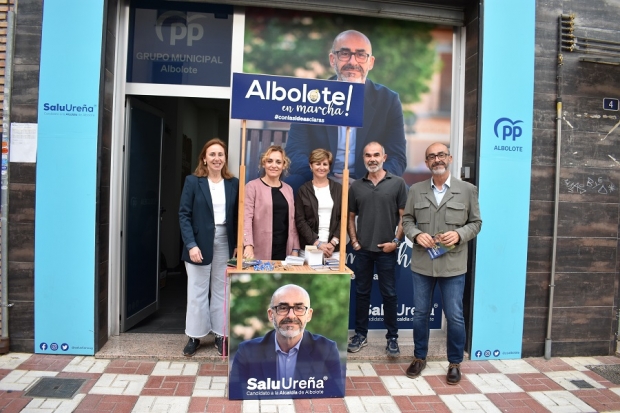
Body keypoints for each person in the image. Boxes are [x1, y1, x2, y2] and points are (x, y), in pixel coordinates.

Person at [284, 29, 407, 192]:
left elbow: (397, 157)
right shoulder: (310, 96)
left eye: (361, 55)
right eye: (344, 53)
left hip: (370, 183)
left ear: (371, 62)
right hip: (317, 179)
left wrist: (367, 182)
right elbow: (295, 151)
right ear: (332, 59)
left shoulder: (388, 101)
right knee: (287, 187)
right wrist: (325, 179)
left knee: (405, 192)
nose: (353, 61)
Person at [402, 142, 482, 385]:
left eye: (441, 155)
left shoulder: (467, 190)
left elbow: (476, 223)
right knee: (420, 315)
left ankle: (455, 362)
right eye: (431, 157)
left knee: (455, 316)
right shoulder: (415, 190)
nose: (436, 159)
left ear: (449, 158)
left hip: (453, 265)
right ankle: (419, 358)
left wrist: (459, 235)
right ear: (426, 162)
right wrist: (416, 234)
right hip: (423, 264)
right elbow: (407, 220)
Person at [228, 284, 344, 400]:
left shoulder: (327, 349)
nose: (291, 315)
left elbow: (333, 398)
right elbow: (237, 398)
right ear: (271, 315)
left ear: (309, 315)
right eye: (283, 308)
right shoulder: (247, 352)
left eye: (299, 308)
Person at [178, 138, 238, 357]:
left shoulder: (233, 183)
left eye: (220, 154)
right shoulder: (193, 182)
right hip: (198, 242)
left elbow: (238, 217)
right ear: (204, 158)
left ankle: (220, 334)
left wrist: (238, 245)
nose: (216, 158)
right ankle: (194, 336)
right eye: (212, 154)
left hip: (225, 240)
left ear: (225, 159)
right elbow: (184, 215)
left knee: (222, 290)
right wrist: (191, 245)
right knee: (197, 291)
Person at [347, 142, 407, 357]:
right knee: (362, 293)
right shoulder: (356, 186)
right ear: (363, 158)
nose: (372, 159)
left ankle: (392, 338)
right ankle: (360, 335)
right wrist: (354, 241)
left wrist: (396, 242)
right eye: (367, 155)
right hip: (362, 250)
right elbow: (350, 217)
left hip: (387, 251)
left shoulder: (398, 183)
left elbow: (404, 217)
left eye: (376, 155)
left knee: (389, 294)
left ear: (384, 157)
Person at [243, 146, 300, 260]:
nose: (274, 165)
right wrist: (248, 245)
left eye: (278, 162)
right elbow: (246, 218)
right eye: (270, 161)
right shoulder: (252, 186)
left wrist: (295, 248)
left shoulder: (288, 189)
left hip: (284, 249)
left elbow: (292, 221)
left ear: (284, 166)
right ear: (264, 164)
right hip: (258, 249)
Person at [294, 149, 342, 258]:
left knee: (334, 276)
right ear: (311, 166)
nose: (321, 167)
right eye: (317, 163)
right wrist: (317, 243)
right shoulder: (303, 190)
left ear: (329, 167)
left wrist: (333, 242)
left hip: (333, 249)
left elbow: (343, 218)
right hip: (310, 248)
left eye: (325, 164)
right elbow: (300, 220)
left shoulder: (339, 189)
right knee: (310, 276)